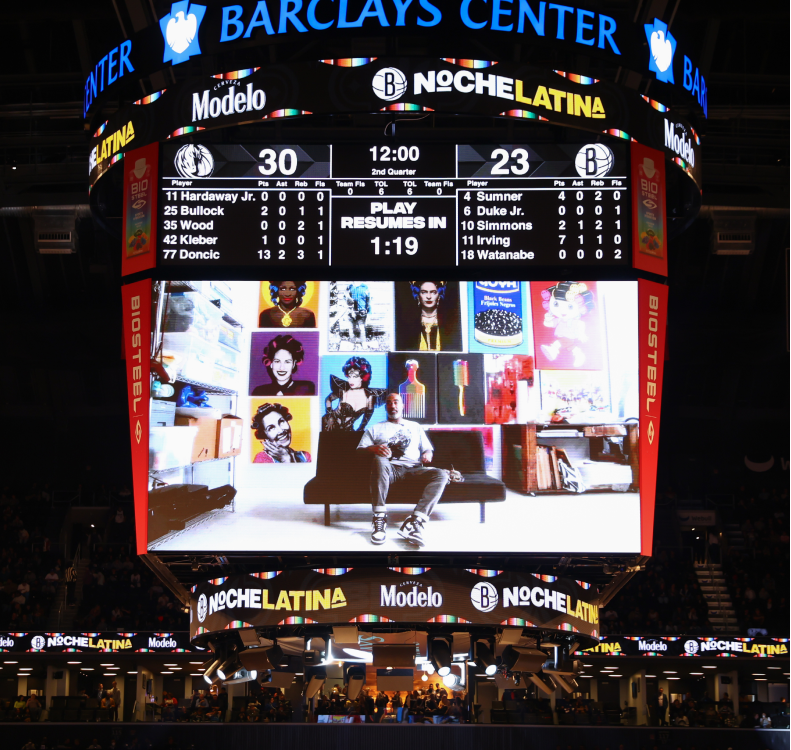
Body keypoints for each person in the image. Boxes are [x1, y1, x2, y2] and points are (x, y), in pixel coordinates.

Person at [357, 392, 462, 547]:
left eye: (396, 402)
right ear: (385, 407)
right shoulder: (376, 428)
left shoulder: (415, 426)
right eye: (389, 403)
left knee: (441, 475)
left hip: (414, 469)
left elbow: (427, 449)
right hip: (389, 469)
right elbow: (360, 450)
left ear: (402, 405)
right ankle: (379, 518)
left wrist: (427, 454)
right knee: (379, 459)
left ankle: (415, 522)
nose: (392, 406)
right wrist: (374, 448)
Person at [323, 356, 387, 432]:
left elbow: (368, 415)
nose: (350, 380)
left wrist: (361, 428)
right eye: (349, 377)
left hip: (348, 430)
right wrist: (330, 416)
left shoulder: (370, 397)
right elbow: (328, 399)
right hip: (329, 425)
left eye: (355, 377)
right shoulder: (344, 391)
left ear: (363, 377)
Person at [401, 281, 459, 351]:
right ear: (418, 295)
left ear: (439, 295)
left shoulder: (450, 325)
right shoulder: (409, 325)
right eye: (424, 292)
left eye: (433, 292)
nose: (429, 297)